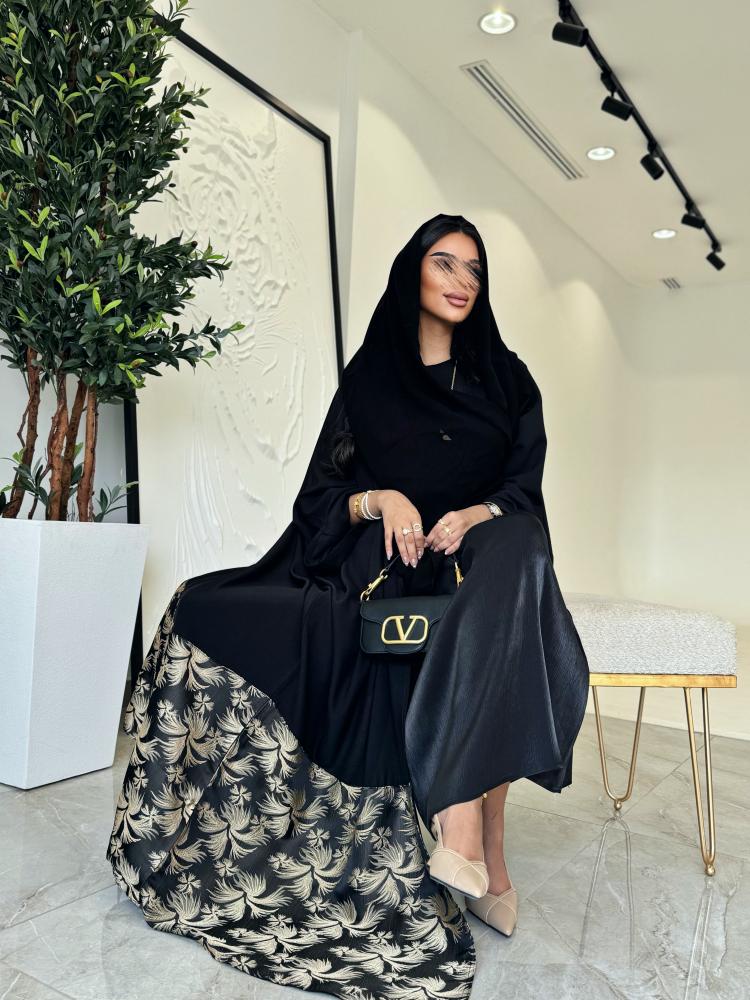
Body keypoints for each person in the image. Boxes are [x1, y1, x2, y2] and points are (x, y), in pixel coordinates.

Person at [107, 213, 590, 999]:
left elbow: (523, 490)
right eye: (446, 263)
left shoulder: (508, 380)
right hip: (383, 570)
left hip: (478, 567)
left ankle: (468, 825)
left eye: (475, 269)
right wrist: (381, 499)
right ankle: (478, 842)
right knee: (205, 606)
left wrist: (475, 514)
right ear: (413, 271)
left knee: (520, 546)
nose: (463, 281)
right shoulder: (371, 379)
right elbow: (319, 500)